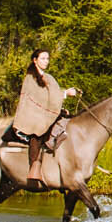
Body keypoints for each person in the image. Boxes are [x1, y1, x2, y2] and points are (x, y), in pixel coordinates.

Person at [7, 49, 78, 184]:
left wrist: (61, 108)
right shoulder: (30, 78)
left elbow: (52, 98)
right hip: (33, 115)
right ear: (35, 60)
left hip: (46, 114)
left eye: (47, 59)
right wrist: (65, 94)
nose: (46, 61)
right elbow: (39, 98)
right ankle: (34, 166)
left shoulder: (49, 78)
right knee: (38, 131)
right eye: (43, 58)